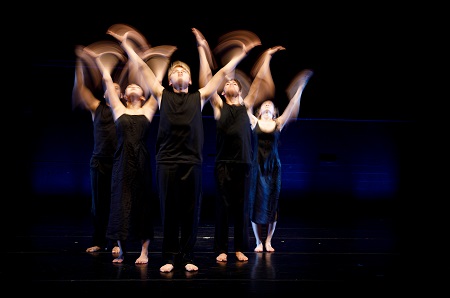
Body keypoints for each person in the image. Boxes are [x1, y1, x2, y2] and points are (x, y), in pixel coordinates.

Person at [116, 28, 259, 272]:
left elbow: (223, 72)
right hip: (167, 161)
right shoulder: (162, 94)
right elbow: (142, 67)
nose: (179, 71)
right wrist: (125, 43)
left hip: (191, 161)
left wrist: (242, 53)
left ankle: (187, 255)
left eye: (184, 70)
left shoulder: (200, 96)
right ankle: (170, 257)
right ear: (169, 81)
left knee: (190, 211)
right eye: (175, 71)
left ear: (190, 80)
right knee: (169, 210)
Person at [201, 34, 282, 263]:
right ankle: (221, 249)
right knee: (222, 209)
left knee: (240, 209)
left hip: (244, 164)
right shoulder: (219, 105)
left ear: (239, 90)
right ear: (224, 91)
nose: (231, 83)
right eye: (228, 83)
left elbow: (256, 84)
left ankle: (238, 248)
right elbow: (209, 79)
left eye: (234, 83)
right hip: (223, 164)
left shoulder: (246, 106)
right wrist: (203, 48)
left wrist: (266, 57)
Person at [84, 41, 161, 264]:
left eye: (137, 87)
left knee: (143, 203)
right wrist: (102, 62)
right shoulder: (119, 110)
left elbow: (155, 86)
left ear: (143, 96)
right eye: (130, 88)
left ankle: (144, 251)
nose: (134, 87)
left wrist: (150, 62)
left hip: (142, 160)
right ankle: (122, 249)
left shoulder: (147, 110)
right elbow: (108, 82)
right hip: (122, 160)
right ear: (125, 96)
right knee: (121, 202)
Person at [248, 68, 314, 252]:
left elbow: (292, 105)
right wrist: (257, 80)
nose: (267, 105)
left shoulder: (278, 123)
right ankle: (257, 242)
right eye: (265, 105)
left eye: (270, 105)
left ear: (274, 112)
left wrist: (300, 87)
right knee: (256, 202)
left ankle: (268, 240)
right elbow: (245, 105)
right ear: (260, 111)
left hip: (273, 167)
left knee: (272, 202)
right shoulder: (254, 122)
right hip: (257, 167)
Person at [72, 43, 124, 255]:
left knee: (115, 204)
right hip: (99, 161)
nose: (113, 90)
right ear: (105, 95)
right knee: (98, 206)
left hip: (117, 161)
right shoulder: (97, 108)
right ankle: (100, 241)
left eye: (117, 89)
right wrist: (80, 63)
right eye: (110, 88)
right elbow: (80, 90)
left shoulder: (124, 111)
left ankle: (114, 242)